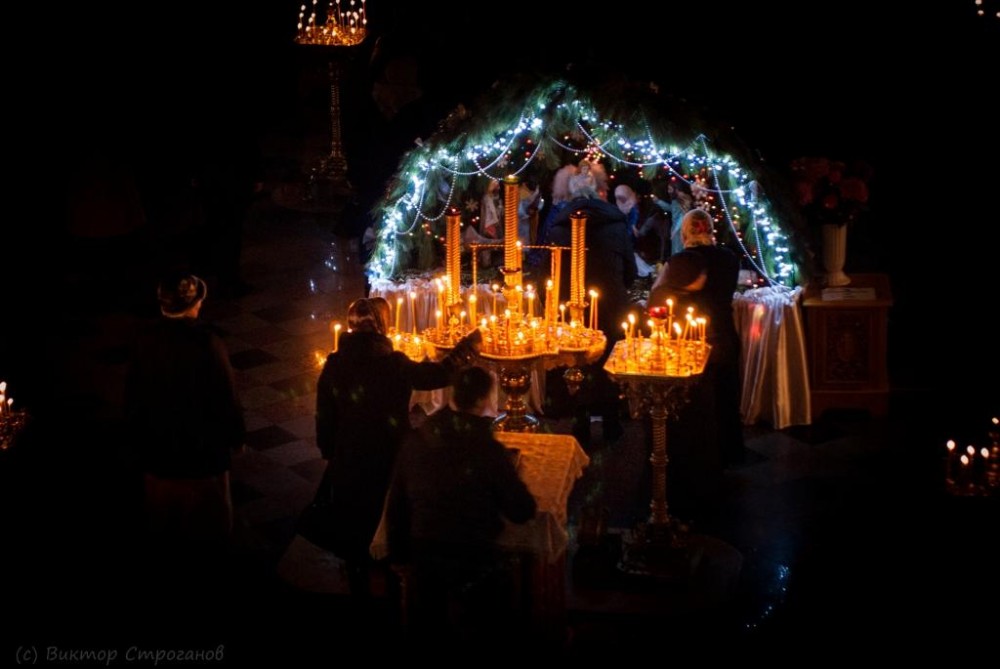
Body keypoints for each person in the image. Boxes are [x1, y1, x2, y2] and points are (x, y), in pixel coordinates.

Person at [312, 297, 481, 597]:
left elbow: (324, 414)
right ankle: (392, 590)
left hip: (349, 459)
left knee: (355, 521)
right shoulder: (394, 363)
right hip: (389, 457)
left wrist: (329, 452)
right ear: (381, 326)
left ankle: (358, 584)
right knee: (386, 520)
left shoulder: (335, 363)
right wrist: (466, 350)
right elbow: (438, 375)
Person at [385, 365, 537, 647]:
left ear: (453, 395)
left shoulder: (416, 440)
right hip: (474, 561)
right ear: (482, 400)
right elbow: (521, 510)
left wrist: (400, 557)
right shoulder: (486, 449)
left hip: (425, 562)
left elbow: (397, 505)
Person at [125, 272, 245, 567]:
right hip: (202, 457)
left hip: (159, 454)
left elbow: (133, 396)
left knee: (163, 535)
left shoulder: (144, 340)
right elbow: (225, 393)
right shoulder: (207, 343)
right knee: (208, 537)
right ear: (195, 304)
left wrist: (135, 441)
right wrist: (236, 436)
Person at [649, 209, 745, 514]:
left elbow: (662, 298)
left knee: (699, 407)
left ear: (685, 232)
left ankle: (699, 469)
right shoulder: (729, 259)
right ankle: (728, 456)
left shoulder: (682, 263)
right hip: (725, 337)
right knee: (725, 399)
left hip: (695, 340)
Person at [547, 173, 637, 446]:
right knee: (608, 362)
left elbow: (548, 274)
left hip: (570, 306)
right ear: (600, 195)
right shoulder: (617, 226)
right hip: (610, 304)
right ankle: (611, 424)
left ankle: (579, 423)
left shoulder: (558, 227)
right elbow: (630, 271)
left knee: (576, 362)